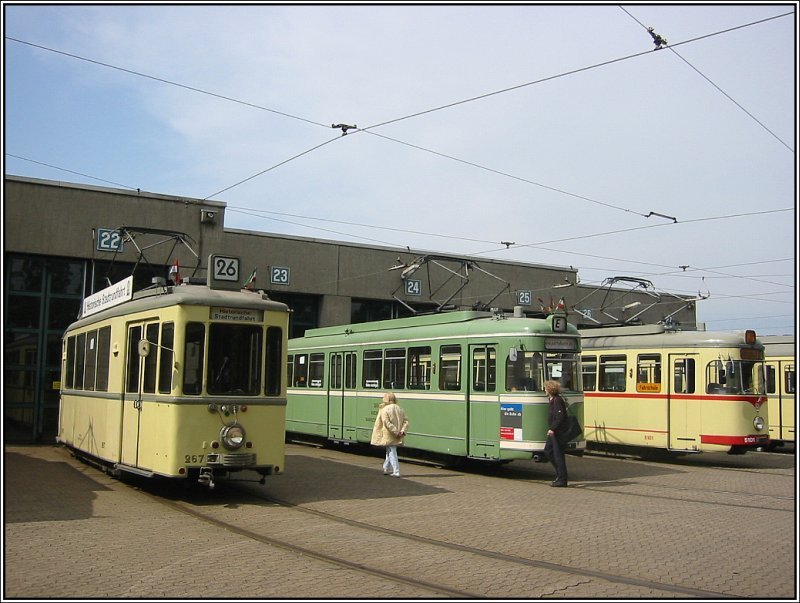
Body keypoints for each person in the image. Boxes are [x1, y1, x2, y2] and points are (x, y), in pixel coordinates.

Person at [370, 392, 409, 478]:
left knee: (391, 452)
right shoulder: (400, 409)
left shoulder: (385, 409)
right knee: (389, 451)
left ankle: (396, 471)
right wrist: (402, 431)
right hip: (398, 434)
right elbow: (406, 421)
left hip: (389, 434)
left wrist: (395, 432)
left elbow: (386, 423)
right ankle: (386, 468)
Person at [543, 380, 569, 487]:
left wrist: (552, 428)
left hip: (557, 432)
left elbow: (560, 416)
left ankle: (562, 479)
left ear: (549, 389)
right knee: (548, 451)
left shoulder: (557, 400)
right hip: (553, 432)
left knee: (558, 455)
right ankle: (559, 474)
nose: (544, 390)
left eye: (545, 388)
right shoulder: (552, 400)